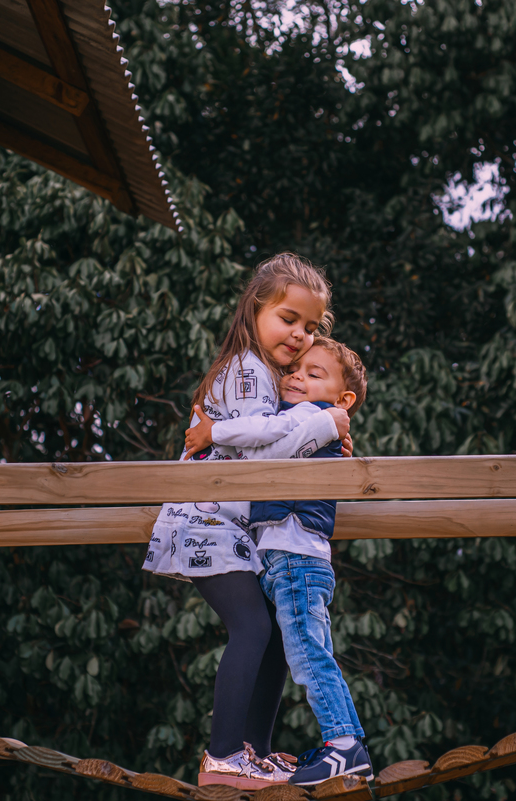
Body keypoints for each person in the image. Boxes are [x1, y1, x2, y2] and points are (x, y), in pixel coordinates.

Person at [144, 253, 350, 790]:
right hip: (203, 521)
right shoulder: (244, 369)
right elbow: (267, 454)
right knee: (255, 626)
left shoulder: (273, 379)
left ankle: (252, 754)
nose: (300, 335)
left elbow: (282, 437)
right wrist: (325, 423)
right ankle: (223, 758)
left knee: (278, 633)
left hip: (231, 530)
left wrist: (325, 427)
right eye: (289, 319)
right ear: (255, 309)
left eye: (310, 327)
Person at [182, 338, 373, 786]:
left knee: (308, 653)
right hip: (288, 559)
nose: (297, 377)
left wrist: (215, 433)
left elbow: (264, 440)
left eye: (314, 373)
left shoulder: (312, 417)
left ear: (342, 399)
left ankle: (344, 745)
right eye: (296, 370)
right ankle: (332, 745)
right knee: (301, 650)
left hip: (295, 557)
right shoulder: (318, 422)